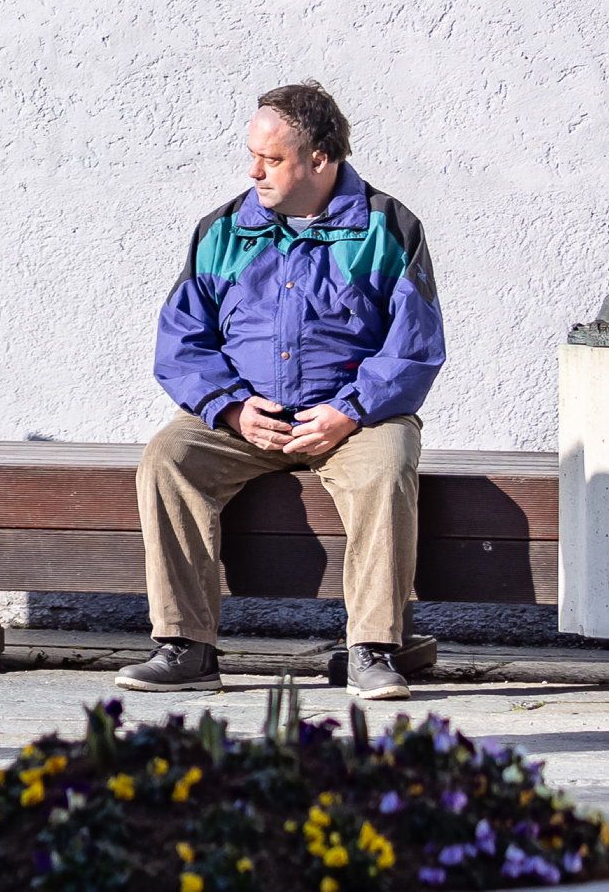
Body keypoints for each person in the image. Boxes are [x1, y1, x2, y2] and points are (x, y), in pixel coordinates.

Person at [120, 82, 444, 702]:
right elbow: (181, 343)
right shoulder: (223, 230)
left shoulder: (389, 228)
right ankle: (186, 646)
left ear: (320, 158)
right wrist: (232, 408)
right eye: (252, 155)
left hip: (358, 419)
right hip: (246, 416)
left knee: (389, 465)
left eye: (271, 159)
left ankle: (373, 649)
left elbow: (414, 347)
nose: (254, 170)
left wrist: (349, 413)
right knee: (168, 458)